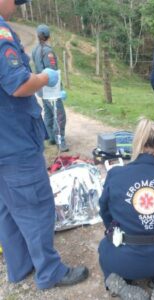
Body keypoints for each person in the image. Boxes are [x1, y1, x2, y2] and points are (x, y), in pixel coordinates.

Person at [0, 0, 88, 289]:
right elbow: (18, 84)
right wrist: (44, 78)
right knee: (35, 206)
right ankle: (50, 272)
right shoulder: (1, 33)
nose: (17, 6)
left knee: (8, 208)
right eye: (15, 1)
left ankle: (20, 267)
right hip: (15, 141)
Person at [98, 118, 154, 300]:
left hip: (121, 258)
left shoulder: (115, 174)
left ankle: (121, 287)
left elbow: (104, 210)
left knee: (103, 249)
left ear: (136, 142)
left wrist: (115, 227)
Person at [32, 24, 69, 152]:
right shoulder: (48, 51)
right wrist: (60, 89)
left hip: (41, 89)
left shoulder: (35, 50)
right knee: (59, 115)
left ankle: (52, 137)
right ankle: (61, 141)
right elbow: (52, 73)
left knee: (48, 113)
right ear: (49, 35)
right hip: (51, 90)